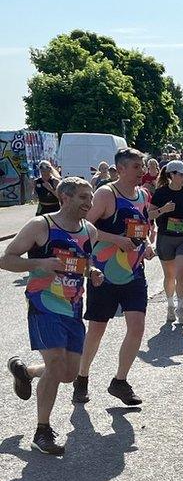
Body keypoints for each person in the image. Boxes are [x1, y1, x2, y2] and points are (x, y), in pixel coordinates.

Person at [3, 177, 104, 454]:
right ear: (65, 198)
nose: (90, 203)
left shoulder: (90, 231)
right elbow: (6, 258)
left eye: (91, 197)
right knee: (57, 364)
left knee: (69, 374)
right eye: (83, 197)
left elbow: (85, 262)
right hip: (44, 305)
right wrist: (39, 263)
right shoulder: (41, 226)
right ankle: (42, 431)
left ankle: (25, 371)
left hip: (72, 308)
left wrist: (92, 272)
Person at [74, 148, 154, 407]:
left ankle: (120, 381)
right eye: (136, 166)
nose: (141, 170)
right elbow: (85, 227)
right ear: (120, 169)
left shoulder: (143, 195)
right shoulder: (107, 194)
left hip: (133, 272)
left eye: (142, 166)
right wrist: (117, 239)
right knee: (97, 328)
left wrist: (148, 244)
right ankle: (82, 377)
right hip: (104, 273)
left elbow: (144, 227)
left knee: (137, 326)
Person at [150, 160, 183, 325]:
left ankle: (181, 308)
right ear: (171, 175)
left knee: (181, 275)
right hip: (166, 237)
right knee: (169, 276)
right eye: (181, 174)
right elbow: (149, 215)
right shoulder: (160, 193)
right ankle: (170, 305)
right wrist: (162, 210)